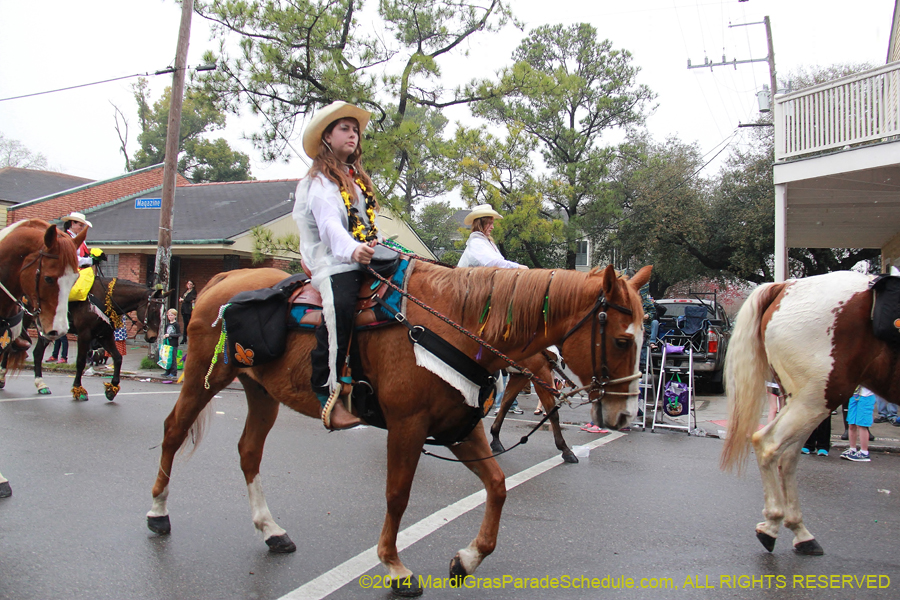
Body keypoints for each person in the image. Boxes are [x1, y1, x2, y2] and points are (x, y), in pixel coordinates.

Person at [293, 100, 383, 430]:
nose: (353, 134)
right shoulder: (319, 182)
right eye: (344, 128)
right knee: (340, 307)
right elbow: (330, 227)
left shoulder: (356, 180)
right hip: (332, 262)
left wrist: (378, 245)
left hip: (360, 257)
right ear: (327, 137)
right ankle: (327, 393)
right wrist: (354, 250)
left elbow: (366, 223)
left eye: (355, 130)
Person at [458, 203, 528, 415]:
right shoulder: (477, 244)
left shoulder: (485, 243)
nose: (492, 226)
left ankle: (501, 396)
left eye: (492, 222)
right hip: (470, 300)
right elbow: (494, 263)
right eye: (489, 222)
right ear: (481, 223)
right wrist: (518, 267)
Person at [841, 385, 875, 462]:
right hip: (854, 394)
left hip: (866, 396)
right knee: (851, 424)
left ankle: (864, 452)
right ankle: (852, 449)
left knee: (862, 425)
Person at [161, 308, 180, 380]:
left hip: (173, 344)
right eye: (169, 315)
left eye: (171, 315)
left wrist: (170, 335)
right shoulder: (167, 324)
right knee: (167, 358)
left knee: (172, 359)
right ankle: (167, 371)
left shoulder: (176, 324)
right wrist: (165, 336)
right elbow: (166, 332)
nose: (170, 317)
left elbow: (178, 334)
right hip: (167, 344)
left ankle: (173, 372)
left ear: (175, 316)